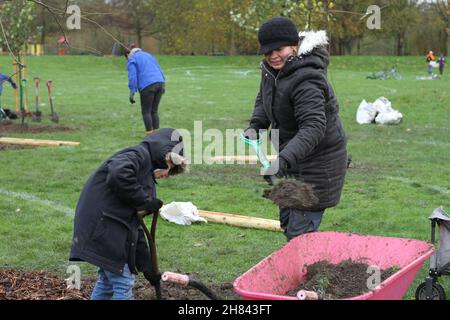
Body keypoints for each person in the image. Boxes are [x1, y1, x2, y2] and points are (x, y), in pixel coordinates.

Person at [243, 17, 348, 241]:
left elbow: (313, 127)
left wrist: (282, 161)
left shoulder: (307, 79)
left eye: (278, 49)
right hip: (293, 160)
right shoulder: (271, 70)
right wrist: (256, 124)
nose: (273, 56)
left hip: (318, 164)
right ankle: (305, 267)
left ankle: (309, 272)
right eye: (267, 51)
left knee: (300, 233)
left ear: (293, 45)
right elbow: (265, 97)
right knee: (288, 222)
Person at [69, 128, 188, 300]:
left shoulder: (144, 173)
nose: (167, 174)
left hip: (108, 226)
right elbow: (118, 173)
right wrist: (146, 201)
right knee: (123, 281)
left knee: (107, 281)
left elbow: (134, 225)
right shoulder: (137, 155)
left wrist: (146, 266)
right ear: (166, 156)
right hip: (102, 225)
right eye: (170, 167)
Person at [125, 46, 166, 135]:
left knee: (146, 111)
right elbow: (159, 69)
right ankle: (157, 135)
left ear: (128, 54)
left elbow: (132, 76)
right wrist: (163, 84)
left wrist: (132, 91)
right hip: (160, 83)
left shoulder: (132, 58)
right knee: (154, 111)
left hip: (147, 86)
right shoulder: (149, 55)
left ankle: (150, 135)